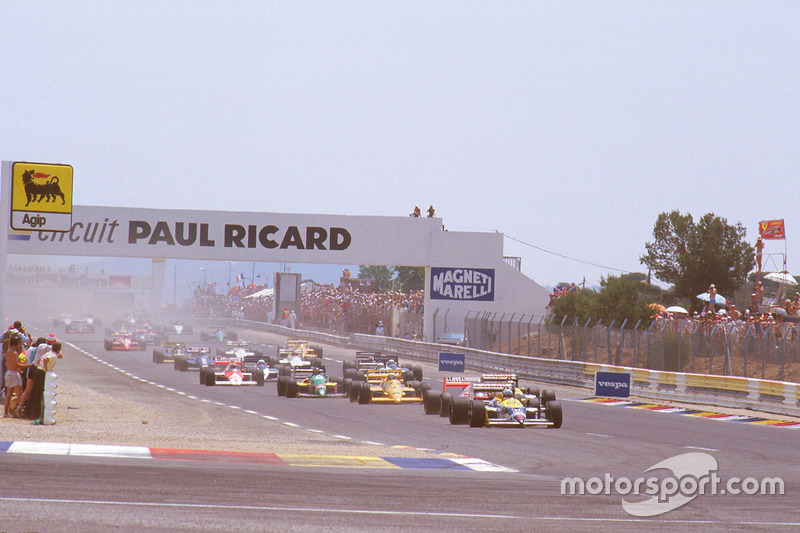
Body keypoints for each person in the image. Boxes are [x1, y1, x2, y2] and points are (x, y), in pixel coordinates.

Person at [3, 335, 23, 418]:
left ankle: (5, 412)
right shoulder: (15, 353)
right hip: (14, 373)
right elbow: (16, 365)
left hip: (8, 373)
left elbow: (7, 364)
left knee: (9, 394)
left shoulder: (7, 352)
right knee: (19, 393)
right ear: (17, 344)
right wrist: (27, 365)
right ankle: (19, 412)